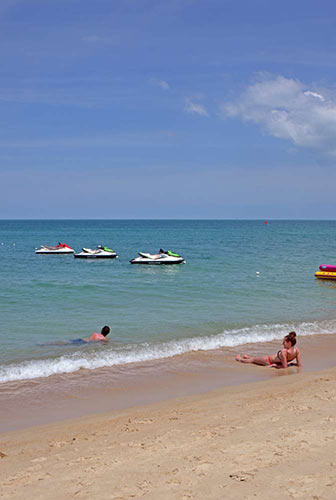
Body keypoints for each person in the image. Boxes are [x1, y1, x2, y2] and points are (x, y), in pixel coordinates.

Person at [235, 331, 302, 368]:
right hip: (271, 359)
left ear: (289, 343)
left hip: (268, 360)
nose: (283, 344)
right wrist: (292, 364)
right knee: (255, 359)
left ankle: (239, 359)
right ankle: (248, 357)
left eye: (284, 342)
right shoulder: (297, 350)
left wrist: (276, 365)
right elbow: (299, 364)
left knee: (253, 360)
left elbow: (284, 367)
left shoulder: (284, 351)